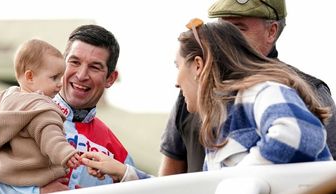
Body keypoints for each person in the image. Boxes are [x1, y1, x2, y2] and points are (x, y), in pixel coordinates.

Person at [82, 20, 333, 182]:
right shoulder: (217, 128)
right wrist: (125, 174)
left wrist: (237, 182)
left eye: (177, 66)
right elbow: (197, 190)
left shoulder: (260, 92)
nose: (176, 82)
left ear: (198, 66)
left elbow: (301, 133)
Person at [159, 0, 336, 176]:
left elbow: (326, 172)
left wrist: (235, 182)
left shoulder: (307, 89)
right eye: (221, 28)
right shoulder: (192, 93)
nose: (224, 39)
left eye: (237, 29)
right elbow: (171, 177)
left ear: (272, 31)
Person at [0, 25, 135, 194]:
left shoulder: (119, 157)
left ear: (111, 78)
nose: (81, 75)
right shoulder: (21, 113)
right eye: (74, 62)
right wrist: (34, 192)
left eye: (95, 67)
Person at [0, 39, 81, 187]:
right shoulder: (41, 108)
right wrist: (66, 153)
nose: (60, 83)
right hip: (32, 176)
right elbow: (51, 137)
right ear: (30, 77)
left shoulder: (1, 99)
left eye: (61, 77)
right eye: (54, 77)